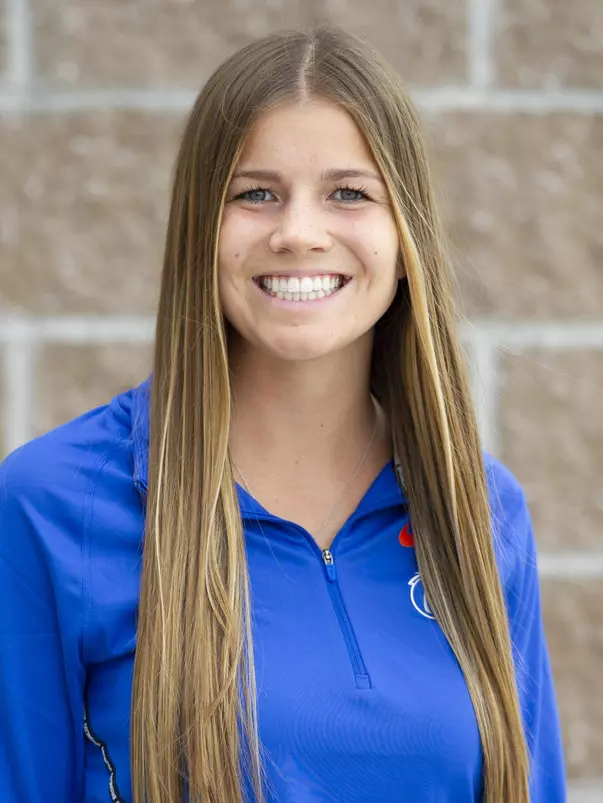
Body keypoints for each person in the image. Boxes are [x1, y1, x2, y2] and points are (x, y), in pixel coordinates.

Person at [0, 25, 566, 803]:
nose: (298, 232)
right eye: (255, 192)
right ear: (203, 225)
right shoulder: (54, 501)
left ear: (406, 233)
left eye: (349, 193)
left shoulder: (480, 509)